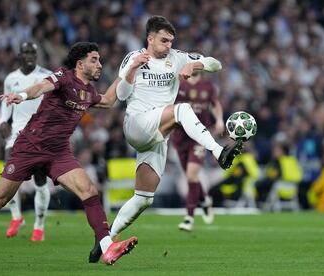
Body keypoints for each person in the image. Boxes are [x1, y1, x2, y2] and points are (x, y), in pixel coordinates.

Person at [0, 42, 138, 266]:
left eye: (100, 61)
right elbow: (41, 87)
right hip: (30, 147)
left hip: (58, 152)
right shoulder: (63, 77)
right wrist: (23, 95)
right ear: (79, 63)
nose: (99, 65)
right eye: (94, 60)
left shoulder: (89, 92)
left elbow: (108, 100)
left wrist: (128, 70)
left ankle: (107, 247)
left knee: (89, 190)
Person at [89, 15, 243, 262]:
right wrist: (132, 70)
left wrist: (196, 65)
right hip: (137, 123)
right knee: (183, 109)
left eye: (171, 41)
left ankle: (105, 242)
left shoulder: (178, 57)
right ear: (150, 39)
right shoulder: (133, 57)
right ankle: (218, 152)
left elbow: (217, 64)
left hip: (158, 134)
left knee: (143, 198)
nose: (168, 45)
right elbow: (121, 94)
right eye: (163, 40)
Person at [0, 42, 52, 241]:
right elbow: (6, 104)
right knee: (8, 175)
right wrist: (2, 121)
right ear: (19, 55)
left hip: (40, 133)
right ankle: (16, 217)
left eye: (33, 52)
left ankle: (39, 225)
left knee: (40, 180)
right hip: (17, 131)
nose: (29, 55)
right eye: (26, 52)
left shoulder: (46, 75)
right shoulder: (11, 79)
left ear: (37, 55)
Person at [170, 68, 224, 231]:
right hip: (180, 137)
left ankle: (189, 217)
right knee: (190, 175)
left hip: (200, 136)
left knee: (192, 174)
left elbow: (215, 104)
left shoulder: (207, 86)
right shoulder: (178, 85)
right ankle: (205, 200)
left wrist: (219, 120)